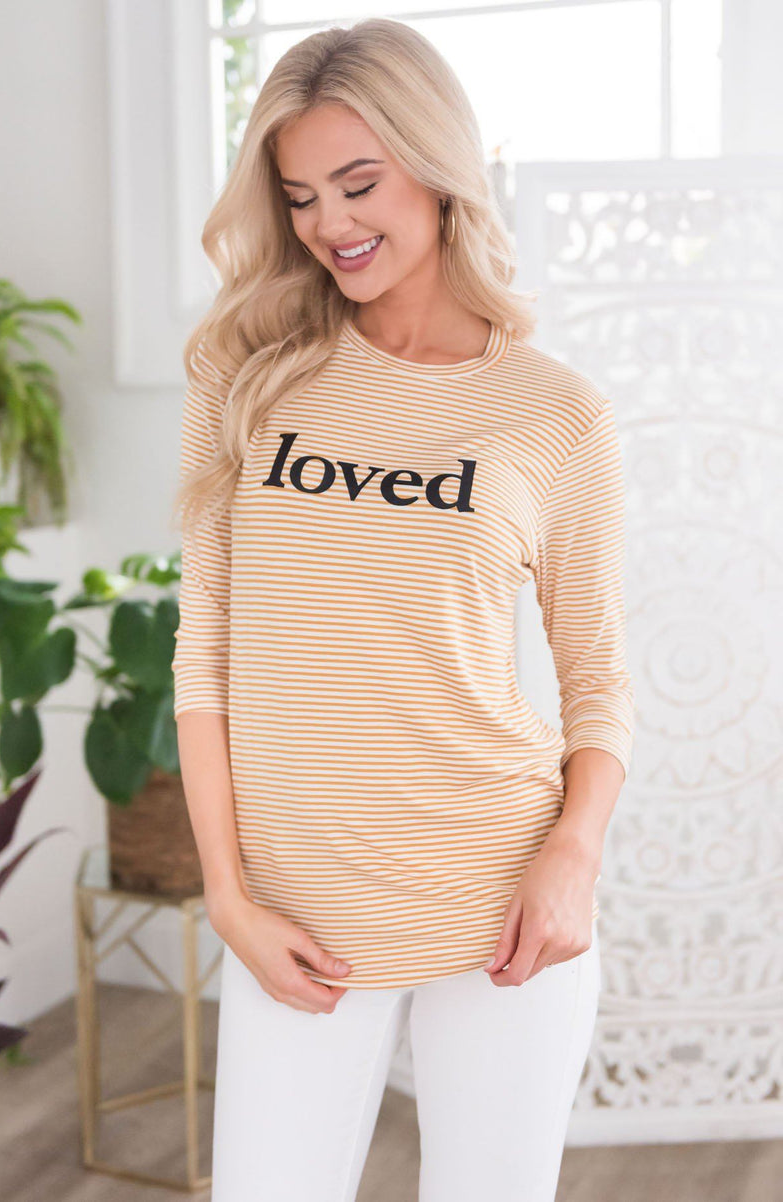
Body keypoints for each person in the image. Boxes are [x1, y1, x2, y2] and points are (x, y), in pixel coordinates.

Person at [170, 17, 634, 1202]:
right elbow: (203, 651)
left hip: (500, 904)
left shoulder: (554, 414)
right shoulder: (246, 373)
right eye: (299, 196)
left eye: (358, 183)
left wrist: (571, 853)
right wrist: (226, 891)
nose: (329, 223)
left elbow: (595, 676)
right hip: (295, 917)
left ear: (435, 167)